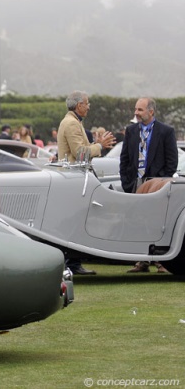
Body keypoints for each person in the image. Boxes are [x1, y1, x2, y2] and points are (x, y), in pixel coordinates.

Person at [57, 90, 115, 275]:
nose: (89, 106)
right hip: (75, 179)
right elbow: (80, 153)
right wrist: (100, 146)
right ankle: (72, 263)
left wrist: (94, 145)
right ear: (78, 105)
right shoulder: (72, 123)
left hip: (74, 178)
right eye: (87, 103)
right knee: (76, 221)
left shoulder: (72, 121)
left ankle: (73, 262)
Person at [119, 98, 177, 274]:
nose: (136, 112)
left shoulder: (166, 131)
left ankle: (160, 262)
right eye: (135, 109)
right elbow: (124, 159)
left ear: (151, 112)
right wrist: (127, 182)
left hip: (157, 187)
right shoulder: (130, 131)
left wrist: (160, 183)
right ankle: (142, 261)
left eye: (140, 109)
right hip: (135, 184)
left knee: (157, 223)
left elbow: (171, 162)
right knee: (138, 222)